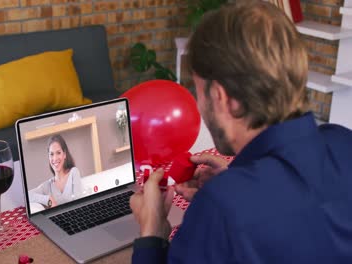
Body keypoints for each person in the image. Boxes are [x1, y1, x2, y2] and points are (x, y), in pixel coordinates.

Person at [130, 1, 352, 263]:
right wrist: (236, 180)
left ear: (222, 97)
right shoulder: (343, 142)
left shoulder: (222, 206)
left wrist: (152, 233)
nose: (199, 104)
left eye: (199, 91)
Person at [29, 134, 83, 208]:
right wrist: (47, 200)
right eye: (51, 154)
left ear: (64, 154)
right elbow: (28, 196)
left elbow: (79, 203)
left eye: (58, 153)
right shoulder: (47, 186)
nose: (55, 158)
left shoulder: (73, 173)